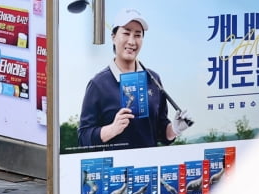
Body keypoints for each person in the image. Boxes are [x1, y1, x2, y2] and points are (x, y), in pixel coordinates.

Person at [77, 9, 190, 150]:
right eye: (126, 33)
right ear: (113, 36)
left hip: (150, 166)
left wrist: (174, 129)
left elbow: (161, 133)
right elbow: (83, 138)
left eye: (138, 35)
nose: (131, 41)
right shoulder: (98, 84)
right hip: (116, 169)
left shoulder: (153, 79)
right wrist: (112, 129)